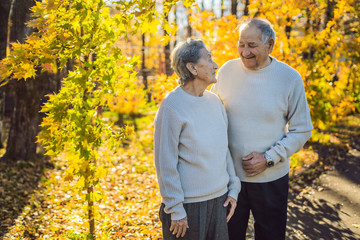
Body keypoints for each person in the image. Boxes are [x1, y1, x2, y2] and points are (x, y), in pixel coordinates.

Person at [211, 18, 313, 240]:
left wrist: (268, 158)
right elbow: (210, 117)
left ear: (270, 45)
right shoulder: (226, 71)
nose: (244, 51)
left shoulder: (289, 78)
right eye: (241, 44)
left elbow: (302, 129)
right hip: (229, 181)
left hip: (271, 180)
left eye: (252, 45)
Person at [154, 38, 241, 240]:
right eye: (209, 59)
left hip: (219, 203)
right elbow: (165, 163)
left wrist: (233, 187)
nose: (215, 65)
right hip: (188, 207)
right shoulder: (172, 106)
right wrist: (175, 208)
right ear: (192, 67)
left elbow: (223, 149)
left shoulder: (215, 102)